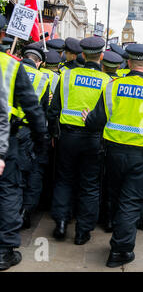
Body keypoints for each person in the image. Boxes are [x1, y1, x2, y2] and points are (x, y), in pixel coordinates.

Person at [83, 43, 143, 268]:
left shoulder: (113, 86)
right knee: (130, 202)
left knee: (116, 197)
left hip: (112, 154)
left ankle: (118, 238)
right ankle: (121, 250)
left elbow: (96, 121)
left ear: (128, 63)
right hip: (140, 157)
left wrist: (88, 119)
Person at [47, 36, 111, 245]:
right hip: (94, 139)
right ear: (101, 57)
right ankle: (83, 232)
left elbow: (53, 110)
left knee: (64, 179)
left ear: (82, 55)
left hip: (67, 137)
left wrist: (55, 134)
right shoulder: (107, 82)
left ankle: (62, 223)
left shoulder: (66, 76)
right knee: (90, 185)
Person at [0, 15, 48, 271]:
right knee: (8, 191)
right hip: (6, 139)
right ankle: (4, 251)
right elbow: (33, 109)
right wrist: (41, 143)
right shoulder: (9, 66)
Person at [16, 44, 50, 229]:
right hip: (29, 132)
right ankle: (25, 212)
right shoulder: (42, 78)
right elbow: (42, 111)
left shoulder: (11, 69)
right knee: (31, 172)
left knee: (14, 174)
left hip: (9, 128)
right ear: (39, 62)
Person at [99, 50, 123, 232]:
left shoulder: (112, 86)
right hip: (122, 143)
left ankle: (106, 218)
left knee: (104, 183)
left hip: (104, 140)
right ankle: (114, 221)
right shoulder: (114, 84)